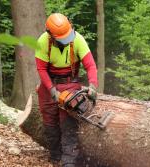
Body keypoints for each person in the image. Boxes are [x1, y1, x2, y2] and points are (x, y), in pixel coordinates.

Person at [35, 13, 98, 167]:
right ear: (51, 35)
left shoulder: (78, 39)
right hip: (49, 84)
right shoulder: (43, 41)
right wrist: (51, 90)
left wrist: (93, 85)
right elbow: (41, 69)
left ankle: (69, 161)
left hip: (70, 84)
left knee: (68, 123)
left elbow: (90, 65)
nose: (65, 40)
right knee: (50, 123)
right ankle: (55, 156)